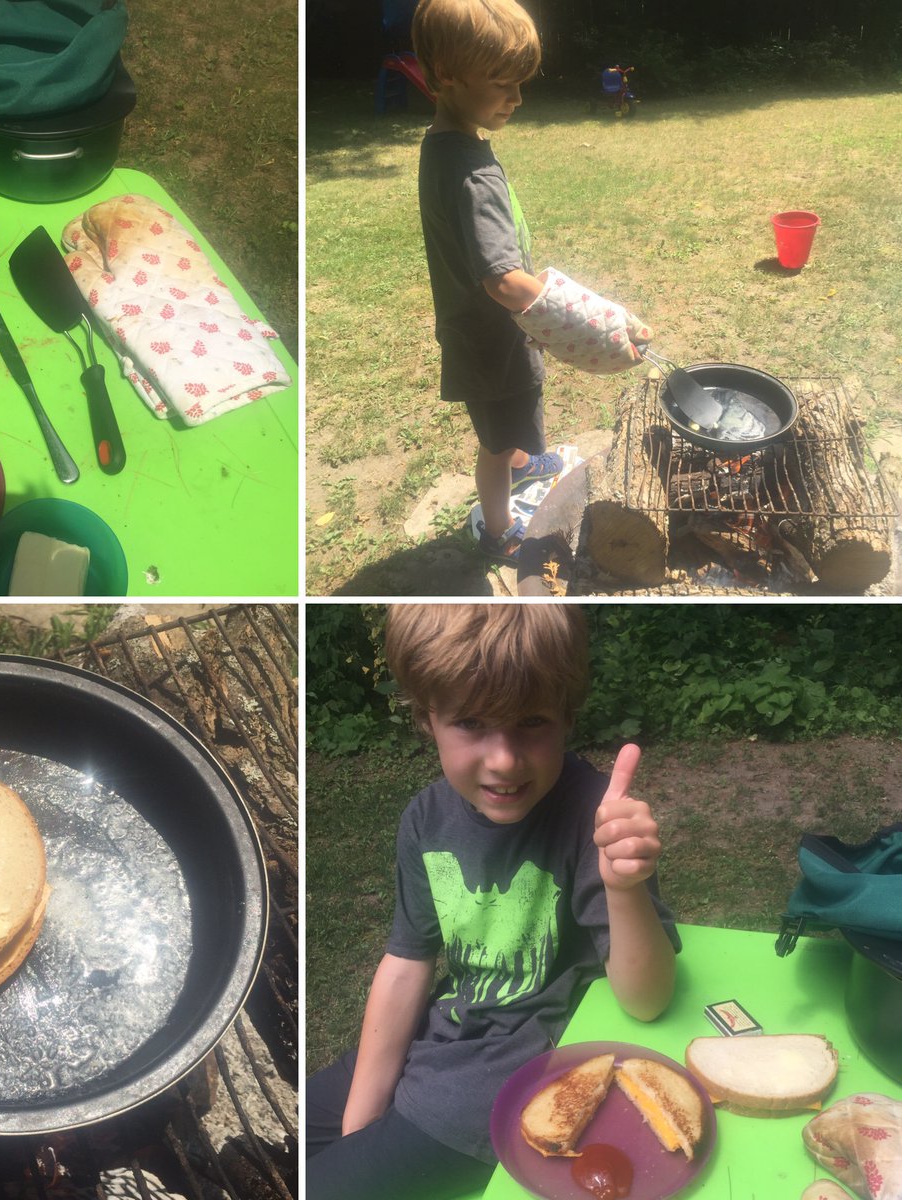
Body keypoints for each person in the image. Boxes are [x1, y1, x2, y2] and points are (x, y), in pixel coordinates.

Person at [305, 605, 680, 1200]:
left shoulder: (593, 817)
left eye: (531, 722)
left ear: (566, 717)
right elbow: (407, 964)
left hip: (503, 1079)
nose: (504, 759)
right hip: (442, 1034)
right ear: (429, 718)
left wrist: (623, 886)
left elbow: (650, 999)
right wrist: (361, 1123)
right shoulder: (426, 820)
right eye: (472, 723)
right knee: (293, 1133)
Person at [411, 0, 647, 561]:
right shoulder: (471, 174)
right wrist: (595, 324)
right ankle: (498, 528)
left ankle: (524, 462)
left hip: (480, 332)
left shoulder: (446, 144)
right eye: (501, 83)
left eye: (520, 83)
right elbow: (502, 281)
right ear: (446, 75)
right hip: (493, 342)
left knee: (507, 428)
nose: (516, 98)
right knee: (495, 441)